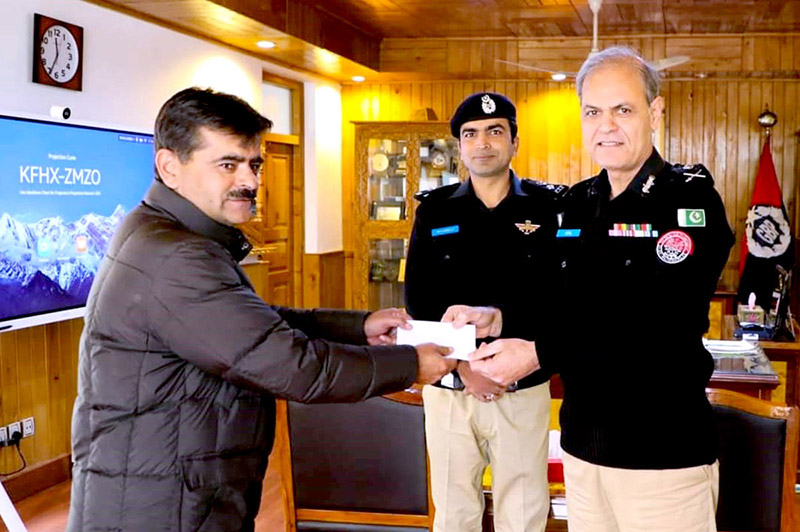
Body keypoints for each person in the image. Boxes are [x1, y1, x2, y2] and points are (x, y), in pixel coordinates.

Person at [66, 87, 456, 532]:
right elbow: (292, 366)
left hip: (177, 490)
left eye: (254, 164)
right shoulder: (176, 257)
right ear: (170, 167)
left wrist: (359, 327)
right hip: (160, 506)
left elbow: (254, 326)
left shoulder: (173, 236)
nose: (249, 181)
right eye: (227, 164)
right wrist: (409, 364)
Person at [455, 47, 735, 532]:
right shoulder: (579, 202)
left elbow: (650, 319)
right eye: (593, 112)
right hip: (584, 450)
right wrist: (499, 319)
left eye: (622, 110)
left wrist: (538, 353)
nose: (606, 126)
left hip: (661, 457)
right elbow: (560, 302)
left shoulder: (688, 201)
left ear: (655, 113)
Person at [404, 92, 564, 532]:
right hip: (451, 386)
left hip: (521, 385)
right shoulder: (435, 210)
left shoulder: (548, 208)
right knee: (455, 510)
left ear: (514, 141)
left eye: (495, 132)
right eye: (470, 134)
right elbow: (418, 300)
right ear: (460, 147)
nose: (483, 143)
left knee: (524, 508)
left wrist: (502, 357)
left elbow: (557, 296)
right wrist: (463, 366)